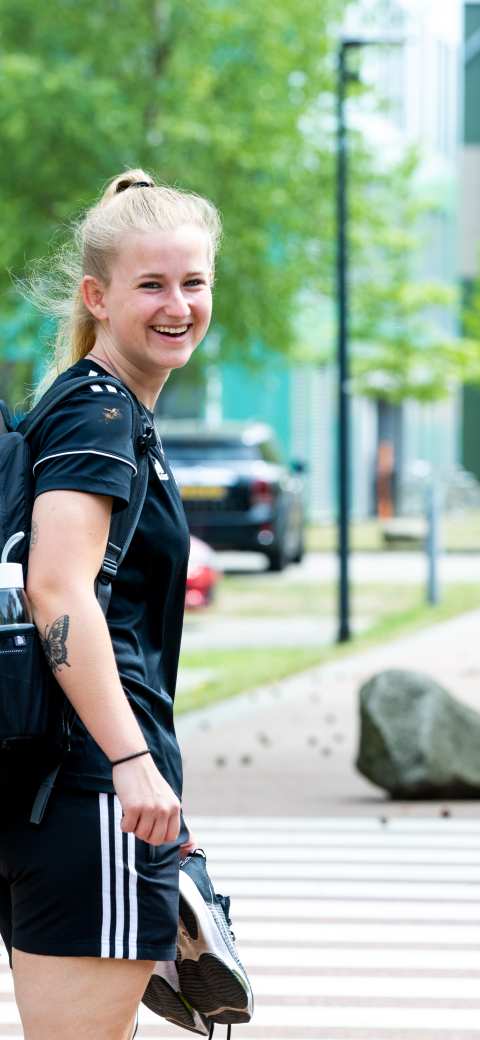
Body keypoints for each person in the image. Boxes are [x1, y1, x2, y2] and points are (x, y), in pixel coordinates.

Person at [0, 169, 220, 1039]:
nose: (178, 305)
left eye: (194, 282)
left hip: (61, 782)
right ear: (96, 295)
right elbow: (57, 586)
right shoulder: (99, 413)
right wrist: (133, 761)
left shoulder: (85, 406)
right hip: (91, 786)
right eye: (152, 285)